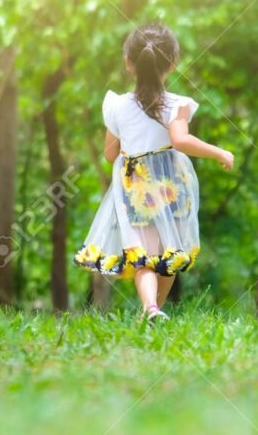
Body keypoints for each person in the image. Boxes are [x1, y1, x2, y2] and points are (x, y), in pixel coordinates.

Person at [74, 23, 234, 321]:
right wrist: (219, 152)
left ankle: (151, 311)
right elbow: (180, 140)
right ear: (172, 63)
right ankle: (152, 309)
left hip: (136, 187)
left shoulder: (117, 106)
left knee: (144, 256)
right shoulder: (177, 105)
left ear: (128, 63)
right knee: (170, 252)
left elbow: (110, 154)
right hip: (171, 184)